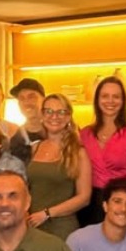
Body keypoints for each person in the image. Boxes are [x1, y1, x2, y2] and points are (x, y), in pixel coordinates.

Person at [78, 76, 126, 227]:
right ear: (97, 100)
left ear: (123, 101)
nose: (110, 101)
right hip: (90, 206)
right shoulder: (85, 134)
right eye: (105, 96)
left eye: (116, 96)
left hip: (122, 205)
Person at [25, 93, 91, 240]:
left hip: (62, 228)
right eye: (49, 111)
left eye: (61, 112)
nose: (54, 116)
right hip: (33, 227)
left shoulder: (78, 152)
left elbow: (84, 197)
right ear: (42, 115)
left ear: (68, 117)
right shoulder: (35, 148)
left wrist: (47, 213)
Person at [7, 78, 46, 163]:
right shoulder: (16, 139)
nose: (27, 103)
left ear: (44, 100)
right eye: (22, 98)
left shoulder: (57, 131)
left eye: (31, 97)